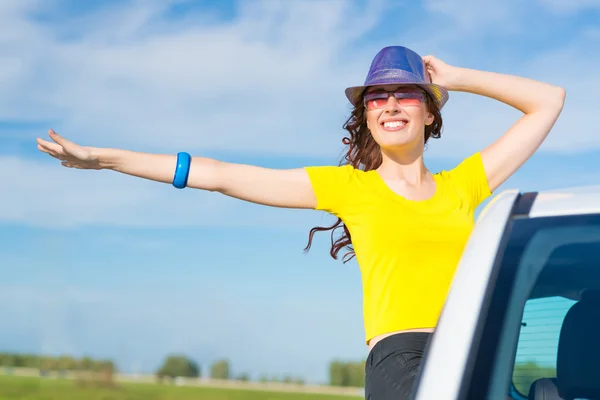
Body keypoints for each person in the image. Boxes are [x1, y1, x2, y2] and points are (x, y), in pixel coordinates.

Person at [36, 46, 565, 399]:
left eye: (405, 92)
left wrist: (456, 77)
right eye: (377, 96)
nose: (389, 104)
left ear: (430, 112)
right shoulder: (348, 189)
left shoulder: (464, 185)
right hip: (401, 363)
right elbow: (218, 174)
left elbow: (548, 102)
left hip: (478, 355)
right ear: (368, 117)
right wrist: (102, 158)